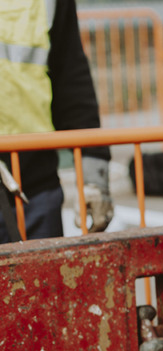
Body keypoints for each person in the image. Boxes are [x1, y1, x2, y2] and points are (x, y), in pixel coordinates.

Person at [0, 0, 112, 243]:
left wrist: (94, 174)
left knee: (41, 280)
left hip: (33, 189)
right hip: (32, 189)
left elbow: (70, 75)